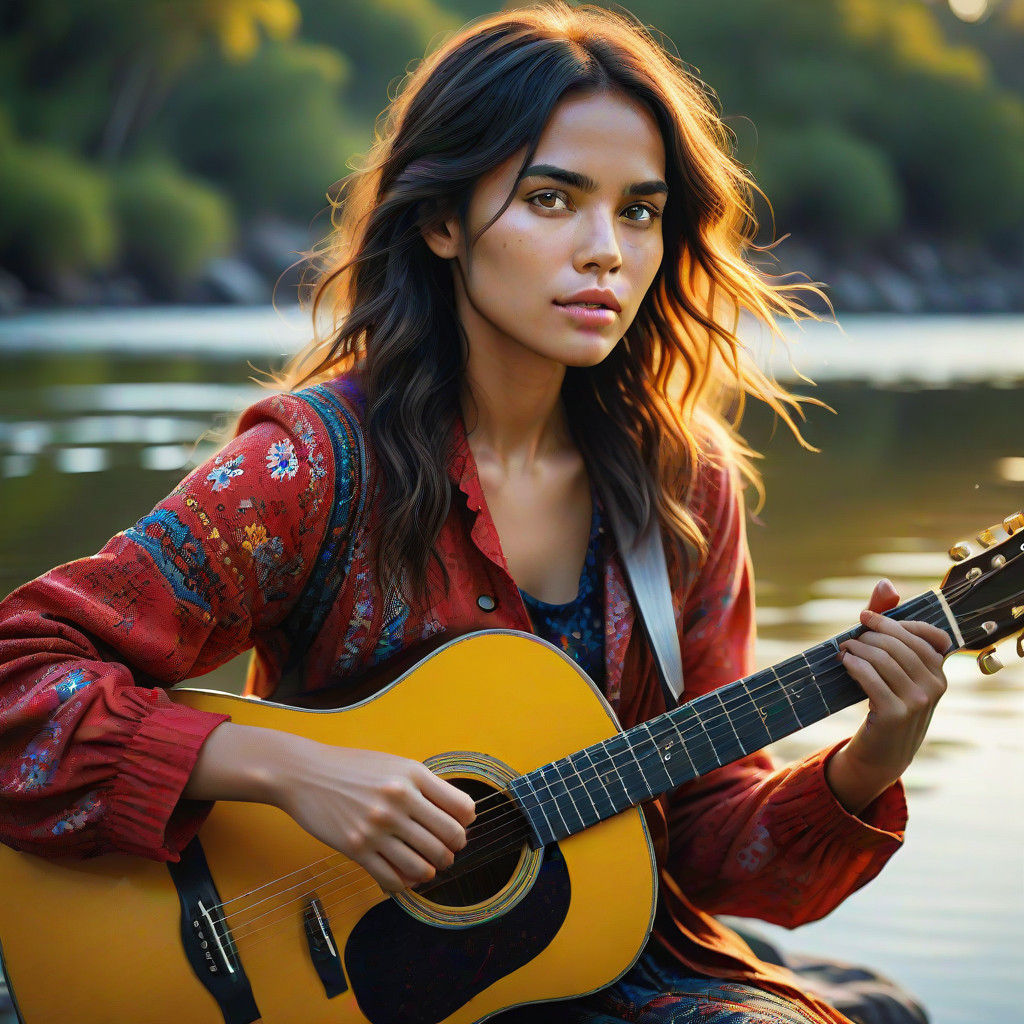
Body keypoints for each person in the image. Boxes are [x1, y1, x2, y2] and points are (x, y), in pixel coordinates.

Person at [0, 4, 951, 1023]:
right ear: (442, 220)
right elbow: (21, 676)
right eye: (553, 199)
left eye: (638, 210)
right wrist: (292, 770)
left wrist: (868, 759)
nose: (606, 252)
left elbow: (705, 845)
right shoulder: (310, 466)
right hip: (326, 983)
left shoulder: (681, 487)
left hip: (591, 962)